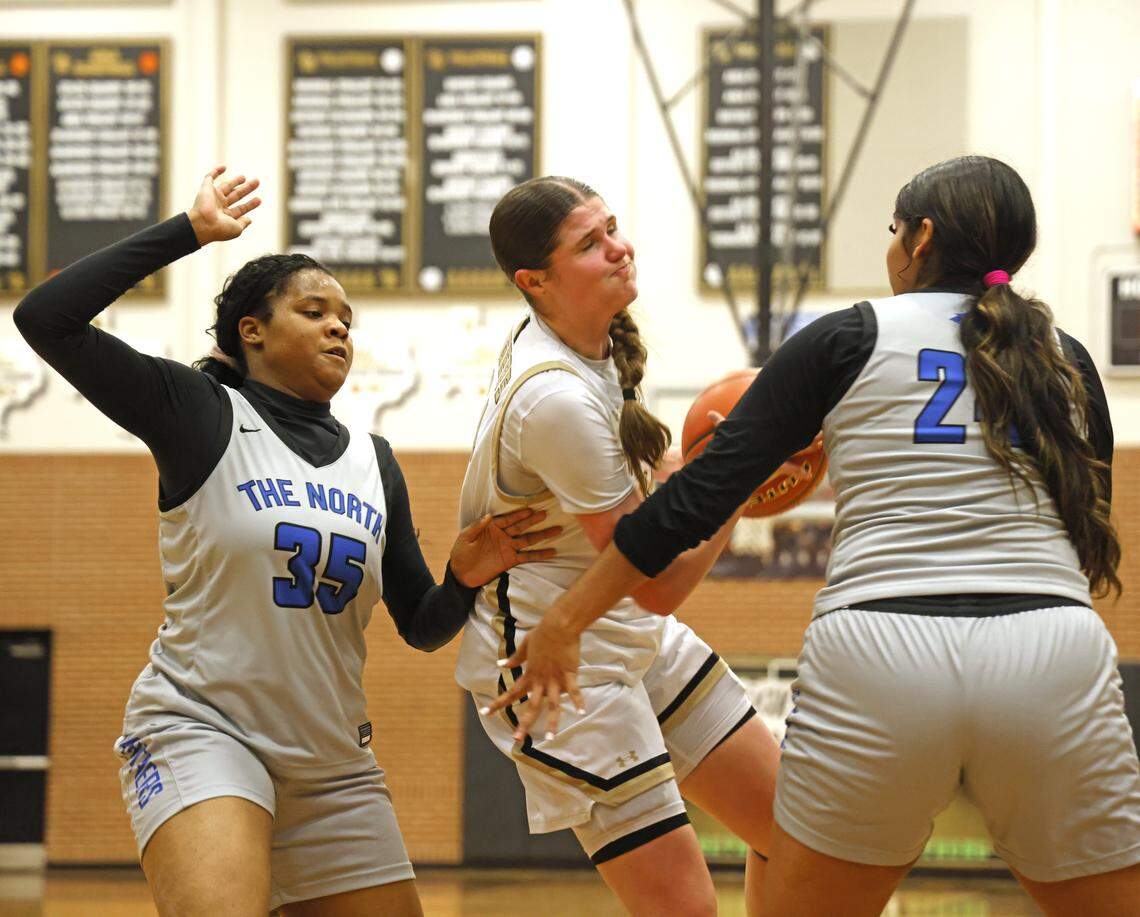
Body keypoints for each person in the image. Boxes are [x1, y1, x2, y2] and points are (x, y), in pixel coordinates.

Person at [485, 156, 1140, 916]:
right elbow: (1091, 532)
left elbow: (690, 502)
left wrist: (565, 618)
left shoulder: (848, 335)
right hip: (1051, 645)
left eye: (894, 232)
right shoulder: (1070, 360)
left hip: (885, 644)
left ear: (921, 239)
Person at [13, 166, 560, 917]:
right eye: (314, 310)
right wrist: (189, 232)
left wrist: (462, 578)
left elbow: (421, 624)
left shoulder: (376, 461)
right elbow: (46, 318)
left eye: (346, 318)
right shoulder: (200, 412)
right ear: (253, 331)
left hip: (333, 761)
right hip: (202, 729)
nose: (340, 326)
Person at [456, 176, 781, 915]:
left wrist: (699, 467)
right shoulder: (557, 398)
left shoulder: (583, 346)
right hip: (558, 668)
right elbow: (658, 580)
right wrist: (740, 472)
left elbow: (632, 517)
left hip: (626, 634)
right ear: (534, 281)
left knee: (795, 831)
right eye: (590, 243)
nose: (619, 249)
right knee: (686, 910)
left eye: (613, 229)